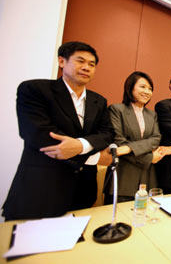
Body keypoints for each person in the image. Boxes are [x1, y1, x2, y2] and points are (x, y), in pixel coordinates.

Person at [2, 41, 114, 220]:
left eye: (91, 64)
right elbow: (38, 135)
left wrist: (80, 145)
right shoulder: (35, 90)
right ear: (62, 61)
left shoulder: (99, 101)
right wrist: (93, 157)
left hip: (82, 192)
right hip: (41, 191)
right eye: (80, 61)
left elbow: (107, 134)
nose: (86, 67)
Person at [104, 71, 171, 204]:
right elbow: (118, 142)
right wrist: (149, 157)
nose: (147, 91)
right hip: (123, 178)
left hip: (147, 178)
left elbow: (156, 139)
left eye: (150, 89)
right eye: (142, 87)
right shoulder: (116, 109)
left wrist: (129, 148)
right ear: (130, 87)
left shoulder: (152, 115)